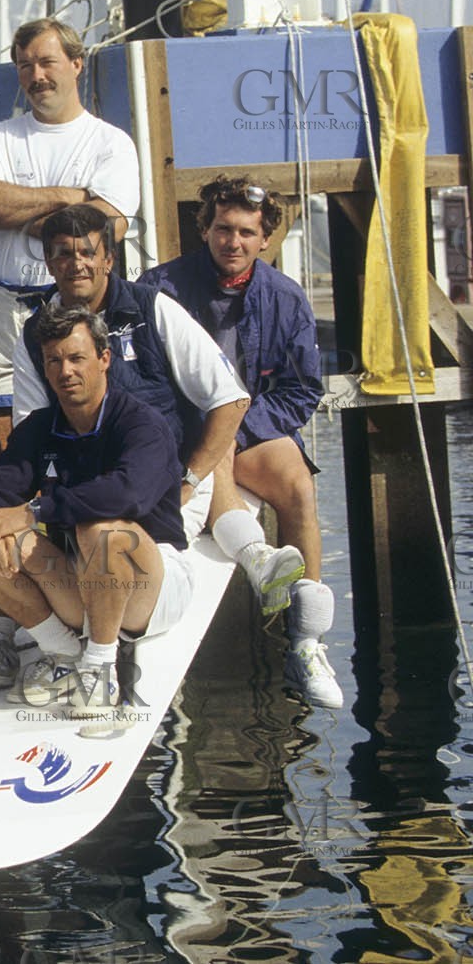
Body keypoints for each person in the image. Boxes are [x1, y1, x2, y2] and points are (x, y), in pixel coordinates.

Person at [11, 204, 305, 616]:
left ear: (109, 259)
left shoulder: (154, 309)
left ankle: (281, 589)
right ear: (47, 262)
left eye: (87, 253)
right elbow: (30, 430)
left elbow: (230, 398)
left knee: (118, 558)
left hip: (163, 487)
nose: (76, 264)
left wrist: (189, 478)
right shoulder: (32, 333)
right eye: (63, 253)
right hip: (90, 487)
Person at [139, 177, 338, 707]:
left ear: (265, 239)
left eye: (247, 232)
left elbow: (301, 392)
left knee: (298, 486)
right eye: (223, 229)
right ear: (204, 230)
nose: (234, 242)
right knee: (215, 445)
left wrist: (237, 424)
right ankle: (257, 560)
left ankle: (308, 640)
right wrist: (209, 427)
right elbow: (139, 381)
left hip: (249, 428)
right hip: (182, 430)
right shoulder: (160, 289)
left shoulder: (286, 298)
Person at [0, 305, 193, 716]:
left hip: (151, 585)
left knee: (101, 530)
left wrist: (33, 511)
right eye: (54, 361)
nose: (65, 371)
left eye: (76, 358)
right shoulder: (40, 427)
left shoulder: (142, 424)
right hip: (83, 579)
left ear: (104, 359)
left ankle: (100, 669)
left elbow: (128, 495)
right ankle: (65, 656)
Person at [0, 18, 139, 464]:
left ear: (76, 64)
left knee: (80, 435)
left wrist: (16, 212)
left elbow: (109, 226)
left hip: (75, 313)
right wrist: (71, 199)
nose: (36, 76)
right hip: (1, 311)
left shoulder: (110, 143)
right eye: (24, 66)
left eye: (46, 62)